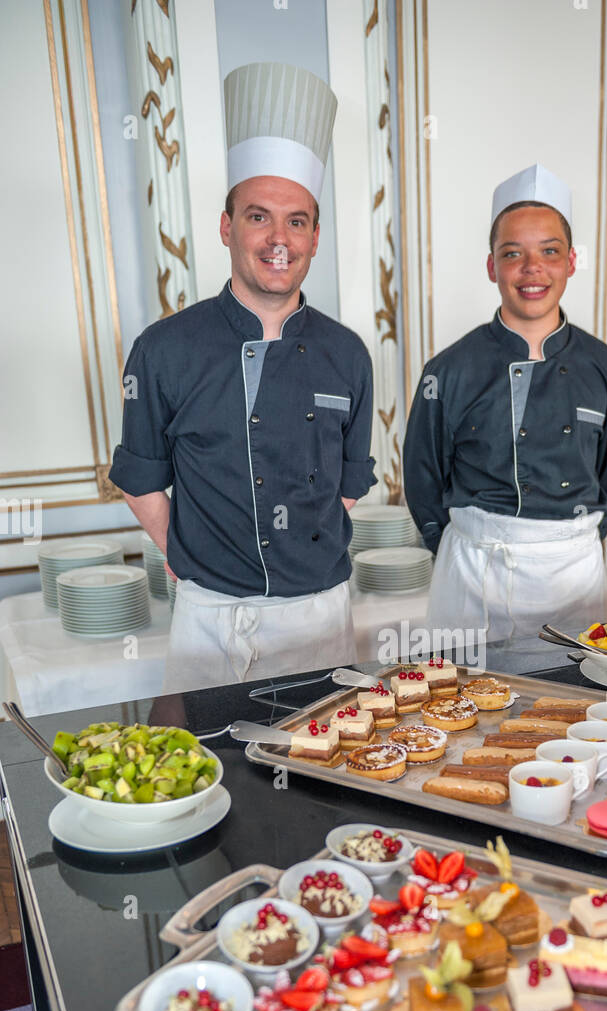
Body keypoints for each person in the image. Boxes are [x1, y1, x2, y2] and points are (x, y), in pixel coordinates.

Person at [110, 63, 376, 694]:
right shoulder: (164, 349)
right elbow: (142, 480)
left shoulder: (347, 353)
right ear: (227, 227)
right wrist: (196, 558)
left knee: (322, 780)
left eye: (297, 221)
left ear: (315, 235)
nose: (278, 238)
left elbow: (346, 486)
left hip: (319, 614)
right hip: (207, 617)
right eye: (258, 217)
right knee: (210, 778)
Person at [403, 163, 607, 647]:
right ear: (492, 267)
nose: (533, 269)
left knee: (577, 713)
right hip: (471, 572)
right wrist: (463, 543)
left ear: (570, 261)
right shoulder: (447, 370)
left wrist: (564, 544)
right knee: (460, 708)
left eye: (549, 251)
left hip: (574, 576)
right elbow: (422, 479)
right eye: (513, 254)